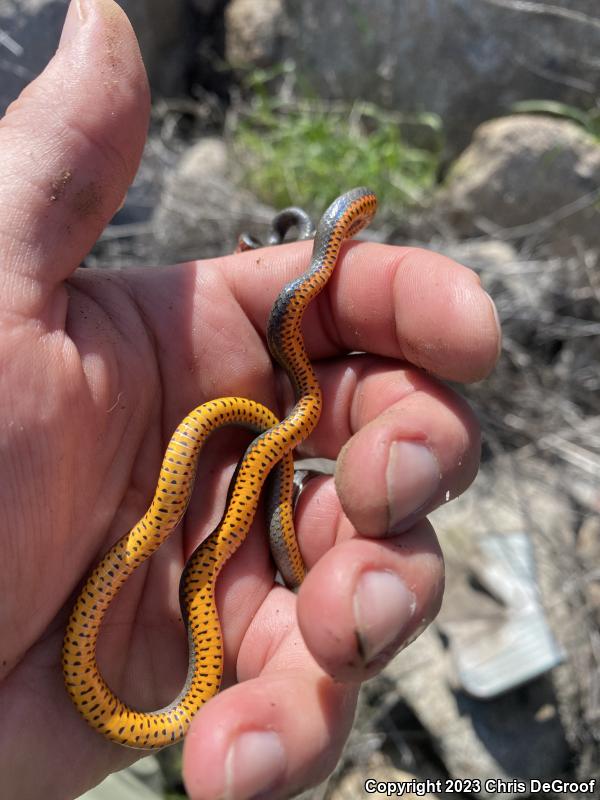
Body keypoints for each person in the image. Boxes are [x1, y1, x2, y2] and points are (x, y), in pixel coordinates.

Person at [0, 1, 501, 798]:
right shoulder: (302, 299)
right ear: (346, 227)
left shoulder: (292, 357)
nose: (366, 213)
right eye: (359, 213)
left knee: (300, 484)